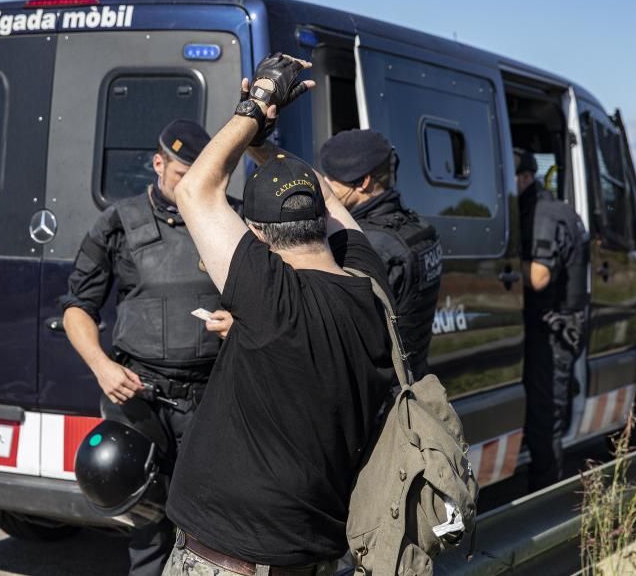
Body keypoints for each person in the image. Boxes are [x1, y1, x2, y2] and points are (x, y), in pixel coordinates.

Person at [161, 53, 393, 575]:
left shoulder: (272, 300)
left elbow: (196, 190)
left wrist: (257, 105)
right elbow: (331, 204)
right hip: (311, 554)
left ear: (257, 234)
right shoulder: (370, 286)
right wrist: (264, 145)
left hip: (231, 560)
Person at [59, 119, 233, 576]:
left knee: (211, 526)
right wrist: (101, 366)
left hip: (209, 396)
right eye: (181, 175)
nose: (192, 186)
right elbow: (77, 307)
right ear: (159, 164)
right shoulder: (119, 222)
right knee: (149, 526)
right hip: (141, 398)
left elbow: (268, 298)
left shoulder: (229, 220)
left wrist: (239, 320)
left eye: (201, 176)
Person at [319, 129, 443, 381]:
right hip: (412, 382)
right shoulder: (418, 229)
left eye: (332, 179)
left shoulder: (368, 245)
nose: (326, 186)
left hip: (381, 398)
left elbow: (337, 333)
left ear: (363, 182)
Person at [515, 148, 589, 492]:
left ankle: (546, 503)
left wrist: (483, 273)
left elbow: (540, 275)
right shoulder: (545, 208)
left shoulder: (545, 213)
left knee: (546, 424)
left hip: (553, 333)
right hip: (548, 329)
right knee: (543, 419)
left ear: (525, 177)